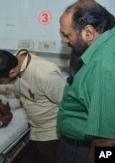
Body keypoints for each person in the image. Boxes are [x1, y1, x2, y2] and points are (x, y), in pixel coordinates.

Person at [0, 49, 65, 163]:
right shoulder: (11, 61)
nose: (0, 84)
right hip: (34, 127)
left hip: (50, 131)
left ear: (12, 73)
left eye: (1, 82)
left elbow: (66, 105)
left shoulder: (45, 75)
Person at [57, 1, 115, 163]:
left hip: (82, 152)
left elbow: (107, 142)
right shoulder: (109, 44)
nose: (64, 41)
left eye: (67, 35)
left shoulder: (103, 65)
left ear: (88, 32)